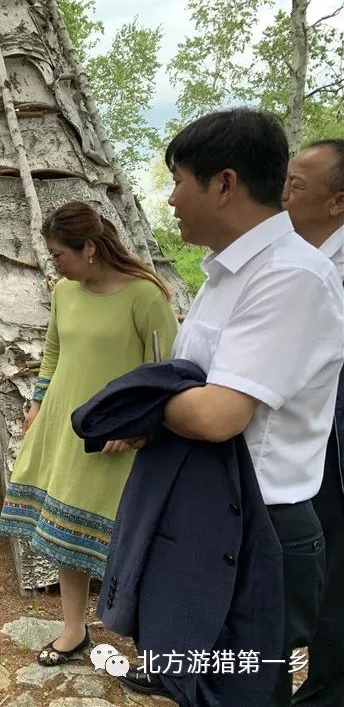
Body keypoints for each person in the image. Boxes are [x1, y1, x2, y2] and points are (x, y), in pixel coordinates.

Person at [117, 110, 344, 706]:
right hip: (208, 514)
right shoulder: (227, 275)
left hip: (259, 528)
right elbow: (192, 389)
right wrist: (166, 403)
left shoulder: (293, 276)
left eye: (177, 181)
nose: (169, 200)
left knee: (243, 693)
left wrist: (143, 405)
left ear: (224, 184)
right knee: (198, 685)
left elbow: (219, 415)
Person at [0, 202, 178, 666]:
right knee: (64, 529)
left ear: (90, 248)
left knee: (132, 538)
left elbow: (167, 371)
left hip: (122, 438)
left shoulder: (145, 296)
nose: (54, 261)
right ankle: (74, 629)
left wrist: (138, 423)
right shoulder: (64, 292)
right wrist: (38, 402)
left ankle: (152, 643)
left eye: (60, 253)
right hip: (66, 425)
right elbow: (54, 351)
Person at [282, 138, 344, 707]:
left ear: (338, 201)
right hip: (311, 449)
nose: (283, 192)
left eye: (297, 184)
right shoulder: (296, 260)